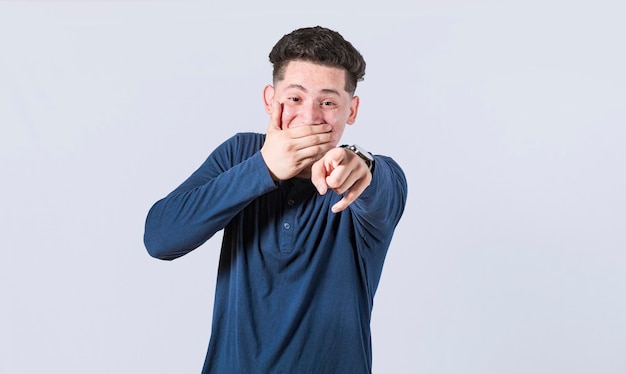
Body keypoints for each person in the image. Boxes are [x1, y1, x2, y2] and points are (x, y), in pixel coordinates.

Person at [144, 25, 408, 374]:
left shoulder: (366, 177)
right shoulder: (240, 155)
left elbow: (378, 187)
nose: (310, 117)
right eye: (295, 98)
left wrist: (361, 166)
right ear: (270, 99)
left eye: (328, 102)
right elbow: (160, 238)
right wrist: (263, 167)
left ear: (352, 110)